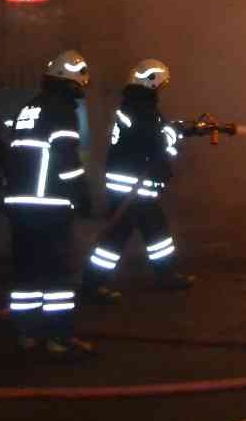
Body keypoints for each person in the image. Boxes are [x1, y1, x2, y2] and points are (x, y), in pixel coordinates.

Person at [81, 59, 196, 303]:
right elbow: (154, 141)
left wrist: (182, 128)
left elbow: (155, 132)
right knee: (114, 240)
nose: (161, 89)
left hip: (136, 186)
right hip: (132, 187)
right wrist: (173, 134)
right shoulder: (139, 109)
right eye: (160, 84)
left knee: (157, 233)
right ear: (151, 81)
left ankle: (165, 274)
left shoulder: (137, 106)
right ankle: (92, 285)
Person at [4, 50, 94, 358]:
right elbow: (66, 160)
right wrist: (82, 195)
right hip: (48, 204)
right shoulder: (61, 112)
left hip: (19, 203)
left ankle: (26, 334)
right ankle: (59, 338)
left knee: (27, 271)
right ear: (72, 82)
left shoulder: (30, 107)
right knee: (57, 275)